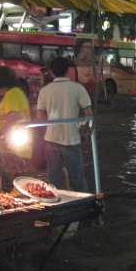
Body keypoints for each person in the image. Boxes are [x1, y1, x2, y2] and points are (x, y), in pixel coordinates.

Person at [37, 57, 92, 192]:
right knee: (77, 177)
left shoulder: (45, 91)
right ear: (68, 70)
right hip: (72, 139)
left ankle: (57, 204)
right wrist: (85, 132)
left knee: (53, 178)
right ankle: (84, 203)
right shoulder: (78, 88)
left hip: (51, 139)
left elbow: (40, 117)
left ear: (52, 72)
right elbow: (88, 113)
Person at [0, 66, 32, 192]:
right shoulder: (17, 93)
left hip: (12, 150)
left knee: (11, 185)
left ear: (0, 81)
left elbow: (12, 116)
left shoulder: (12, 94)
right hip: (18, 149)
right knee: (17, 185)